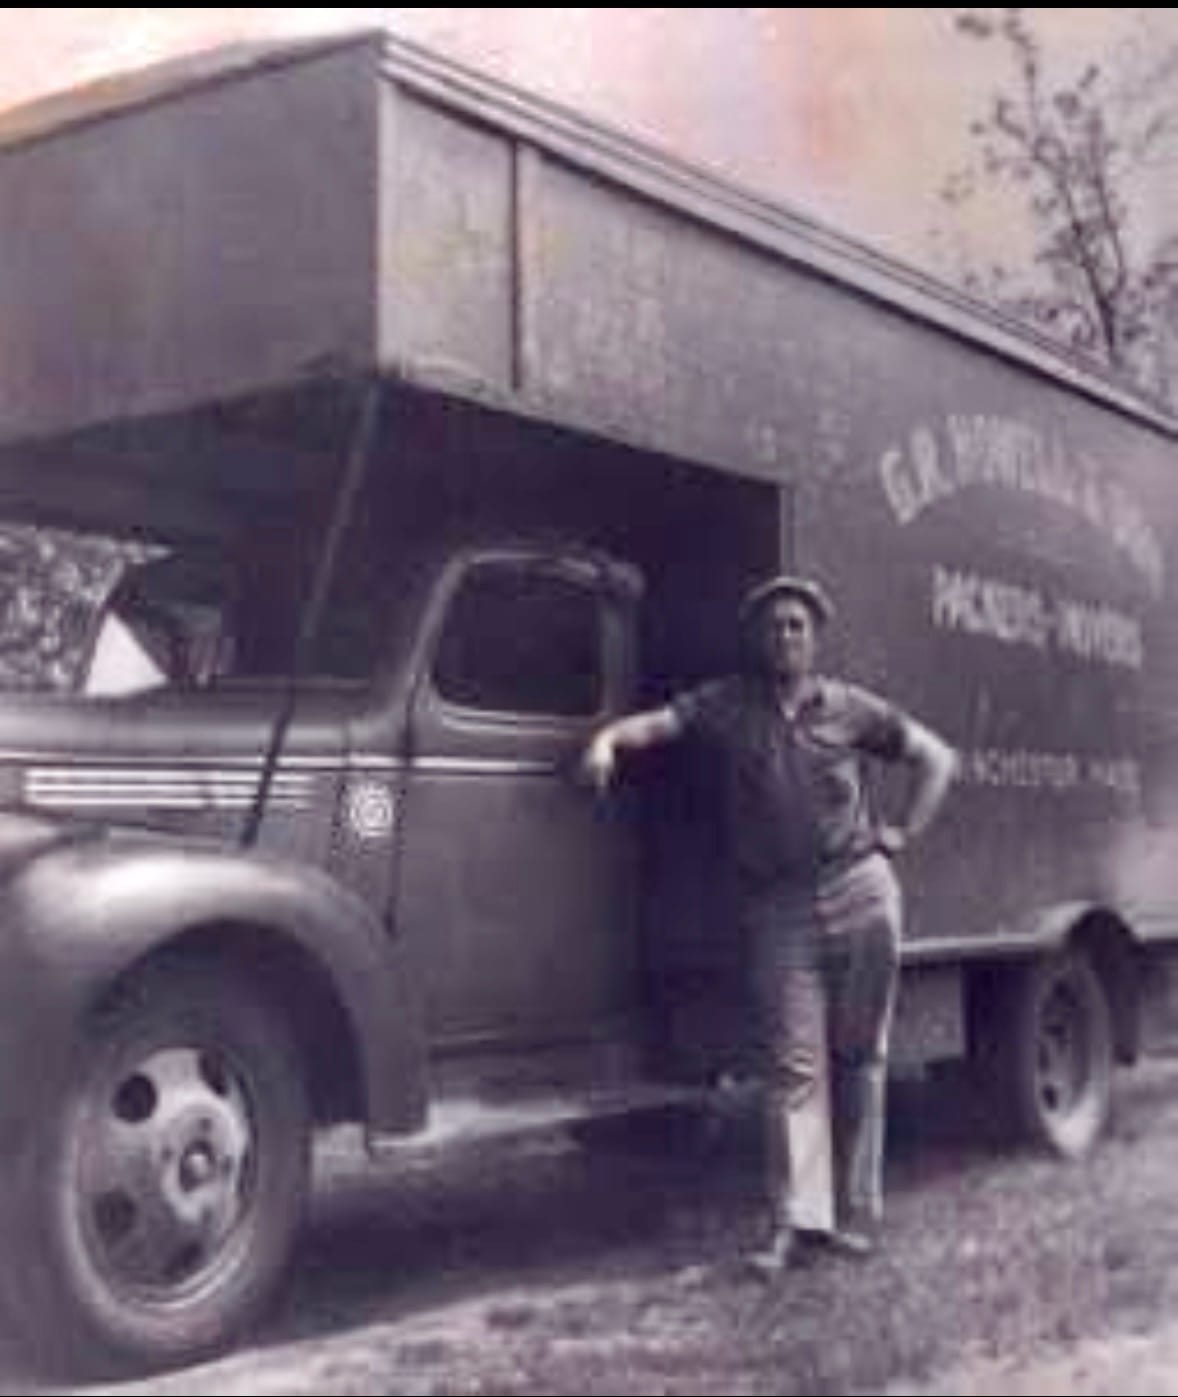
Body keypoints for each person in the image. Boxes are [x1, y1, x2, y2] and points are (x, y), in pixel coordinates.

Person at [583, 574, 957, 1276]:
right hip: (780, 907)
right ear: (758, 639)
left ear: (815, 638)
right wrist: (607, 739)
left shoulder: (850, 708)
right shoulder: (729, 705)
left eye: (797, 625)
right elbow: (658, 724)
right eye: (774, 625)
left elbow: (937, 758)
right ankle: (797, 1223)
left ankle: (853, 1216)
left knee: (861, 1058)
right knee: (793, 1068)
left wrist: (901, 833)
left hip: (860, 891)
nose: (786, 635)